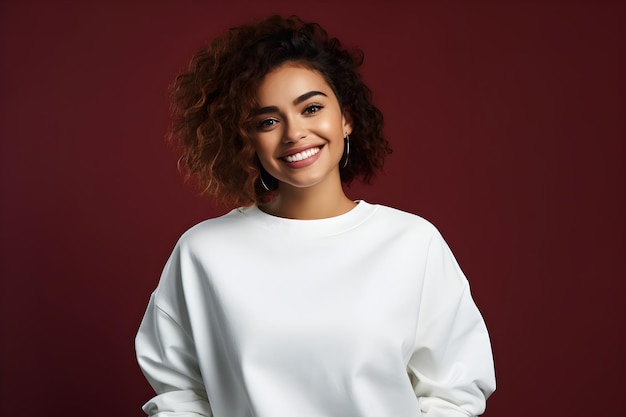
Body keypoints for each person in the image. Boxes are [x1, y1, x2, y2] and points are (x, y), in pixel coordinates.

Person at [135, 14, 496, 417]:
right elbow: (179, 396)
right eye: (268, 121)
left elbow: (455, 391)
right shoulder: (204, 253)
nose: (293, 133)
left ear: (346, 118)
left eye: (311, 108)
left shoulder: (412, 243)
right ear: (246, 138)